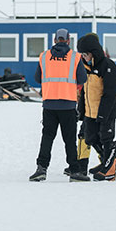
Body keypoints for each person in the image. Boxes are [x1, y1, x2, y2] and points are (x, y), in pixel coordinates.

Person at [29, 28, 89, 182]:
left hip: (49, 105)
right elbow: (82, 79)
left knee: (47, 137)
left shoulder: (44, 56)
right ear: (68, 41)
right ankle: (75, 171)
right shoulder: (75, 58)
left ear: (55, 40)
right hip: (68, 104)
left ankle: (41, 169)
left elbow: (37, 78)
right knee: (69, 139)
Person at [76, 32, 116, 181]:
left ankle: (109, 170)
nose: (84, 57)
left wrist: (103, 114)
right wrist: (82, 111)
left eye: (86, 54)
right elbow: (85, 90)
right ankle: (109, 161)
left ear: (94, 53)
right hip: (91, 112)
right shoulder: (86, 67)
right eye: (82, 54)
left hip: (106, 112)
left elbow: (110, 94)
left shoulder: (108, 67)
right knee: (90, 138)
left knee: (106, 138)